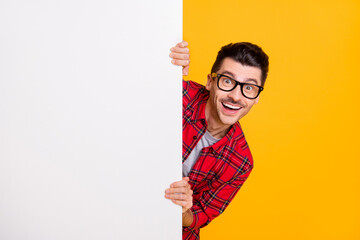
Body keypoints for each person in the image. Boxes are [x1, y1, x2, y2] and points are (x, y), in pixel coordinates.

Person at [165, 41, 269, 240]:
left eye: (249, 87)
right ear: (210, 82)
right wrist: (166, 66)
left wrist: (183, 209)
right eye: (228, 81)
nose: (236, 96)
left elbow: (199, 217)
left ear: (256, 97)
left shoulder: (241, 162)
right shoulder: (178, 96)